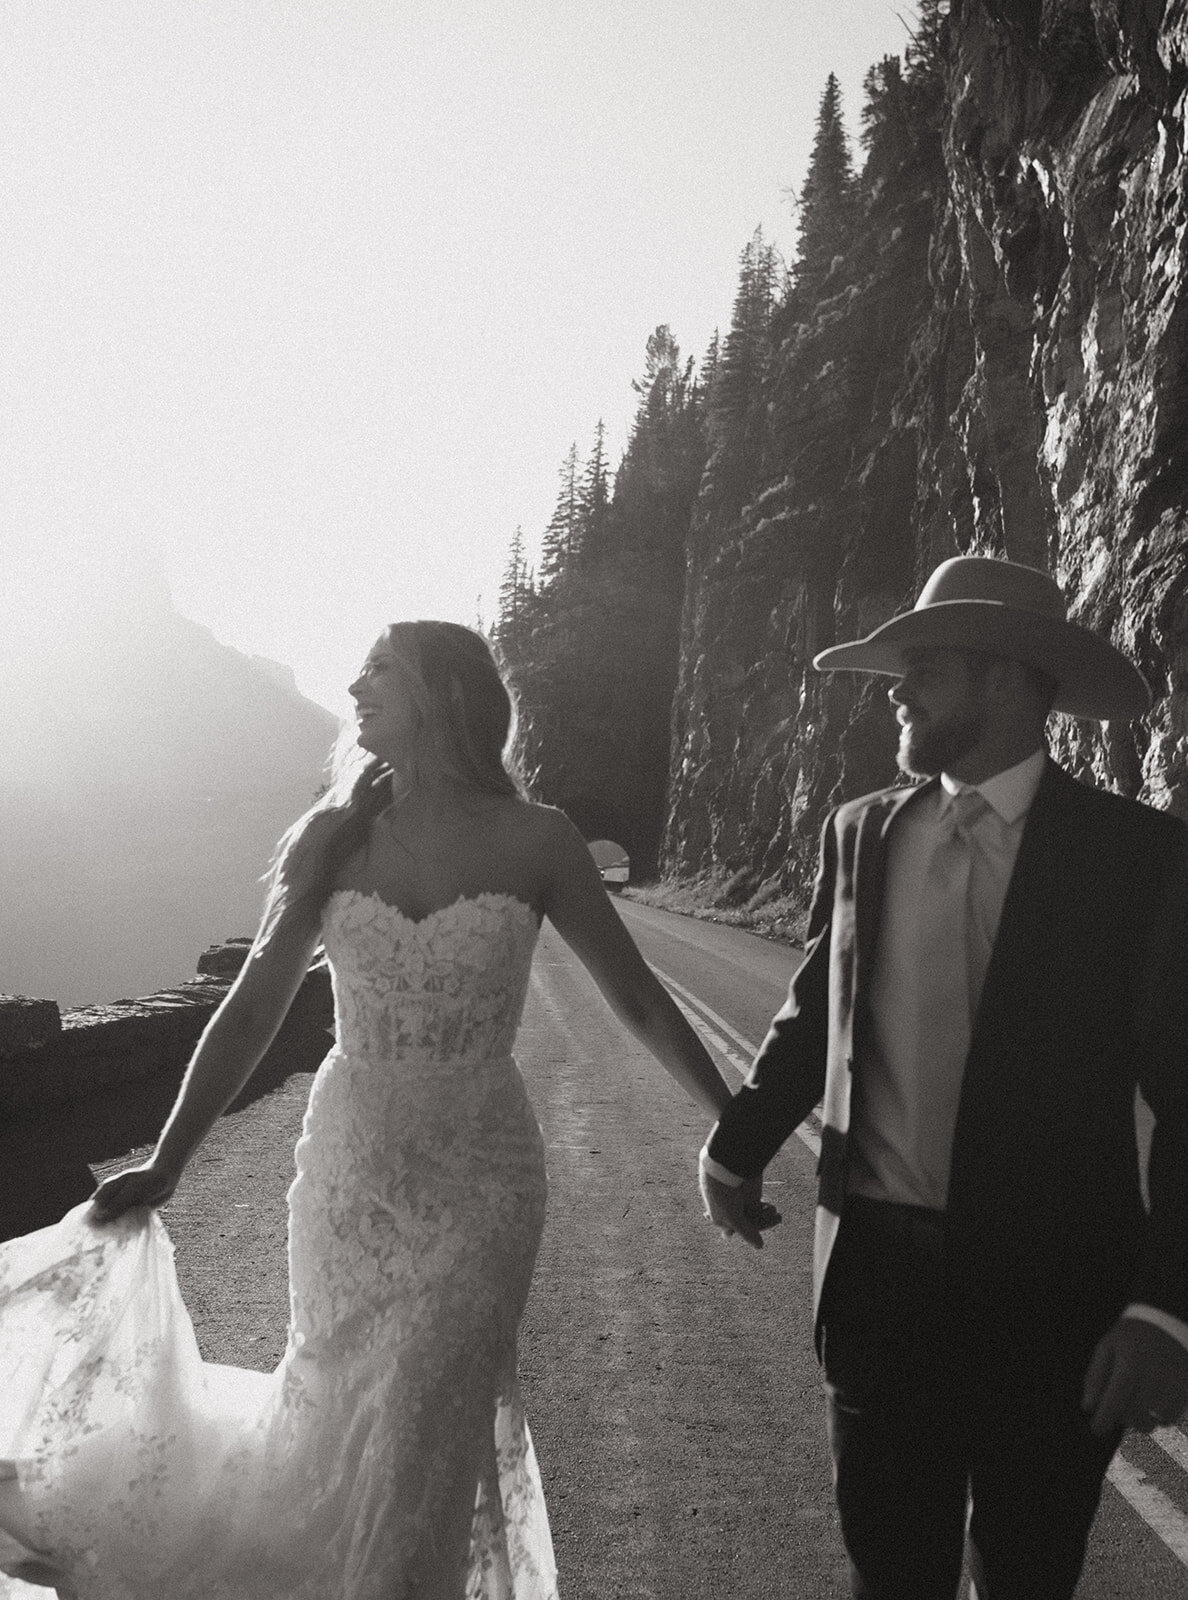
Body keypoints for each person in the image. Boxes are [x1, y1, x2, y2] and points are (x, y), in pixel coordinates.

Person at [0, 619, 736, 1600]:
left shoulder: (539, 840)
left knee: (431, 1418)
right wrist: (170, 1158)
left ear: (445, 691)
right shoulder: (331, 839)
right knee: (338, 1417)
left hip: (484, 1179)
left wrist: (738, 1120)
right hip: (351, 1173)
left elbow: (640, 999)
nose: (354, 684)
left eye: (380, 668)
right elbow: (252, 1007)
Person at [699, 557, 1188, 1600]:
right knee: (893, 1576)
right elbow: (814, 1010)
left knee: (1028, 1573)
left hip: (1054, 1305)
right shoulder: (861, 830)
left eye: (924, 666)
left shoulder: (1138, 859)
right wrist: (735, 1147)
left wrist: (1162, 1310)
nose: (895, 689)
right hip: (879, 1294)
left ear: (1007, 679)